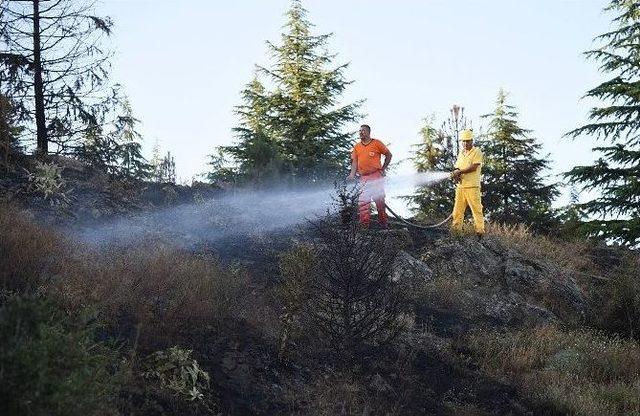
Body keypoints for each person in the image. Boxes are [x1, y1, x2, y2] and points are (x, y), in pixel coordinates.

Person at [347, 124, 392, 228]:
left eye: (363, 130)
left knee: (379, 200)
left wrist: (383, 168)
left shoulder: (376, 143)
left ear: (368, 132)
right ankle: (364, 225)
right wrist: (352, 174)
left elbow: (389, 155)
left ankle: (383, 222)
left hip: (376, 176)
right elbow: (354, 161)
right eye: (359, 131)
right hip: (364, 178)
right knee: (363, 201)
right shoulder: (357, 146)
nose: (360, 132)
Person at [451, 129, 485, 237]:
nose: (465, 143)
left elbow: (474, 167)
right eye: (463, 141)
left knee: (476, 210)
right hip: (461, 187)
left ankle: (479, 232)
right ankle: (456, 231)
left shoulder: (477, 152)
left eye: (467, 141)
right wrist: (456, 175)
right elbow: (457, 167)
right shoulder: (461, 154)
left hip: (472, 187)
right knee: (457, 211)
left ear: (472, 141)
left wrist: (460, 171)